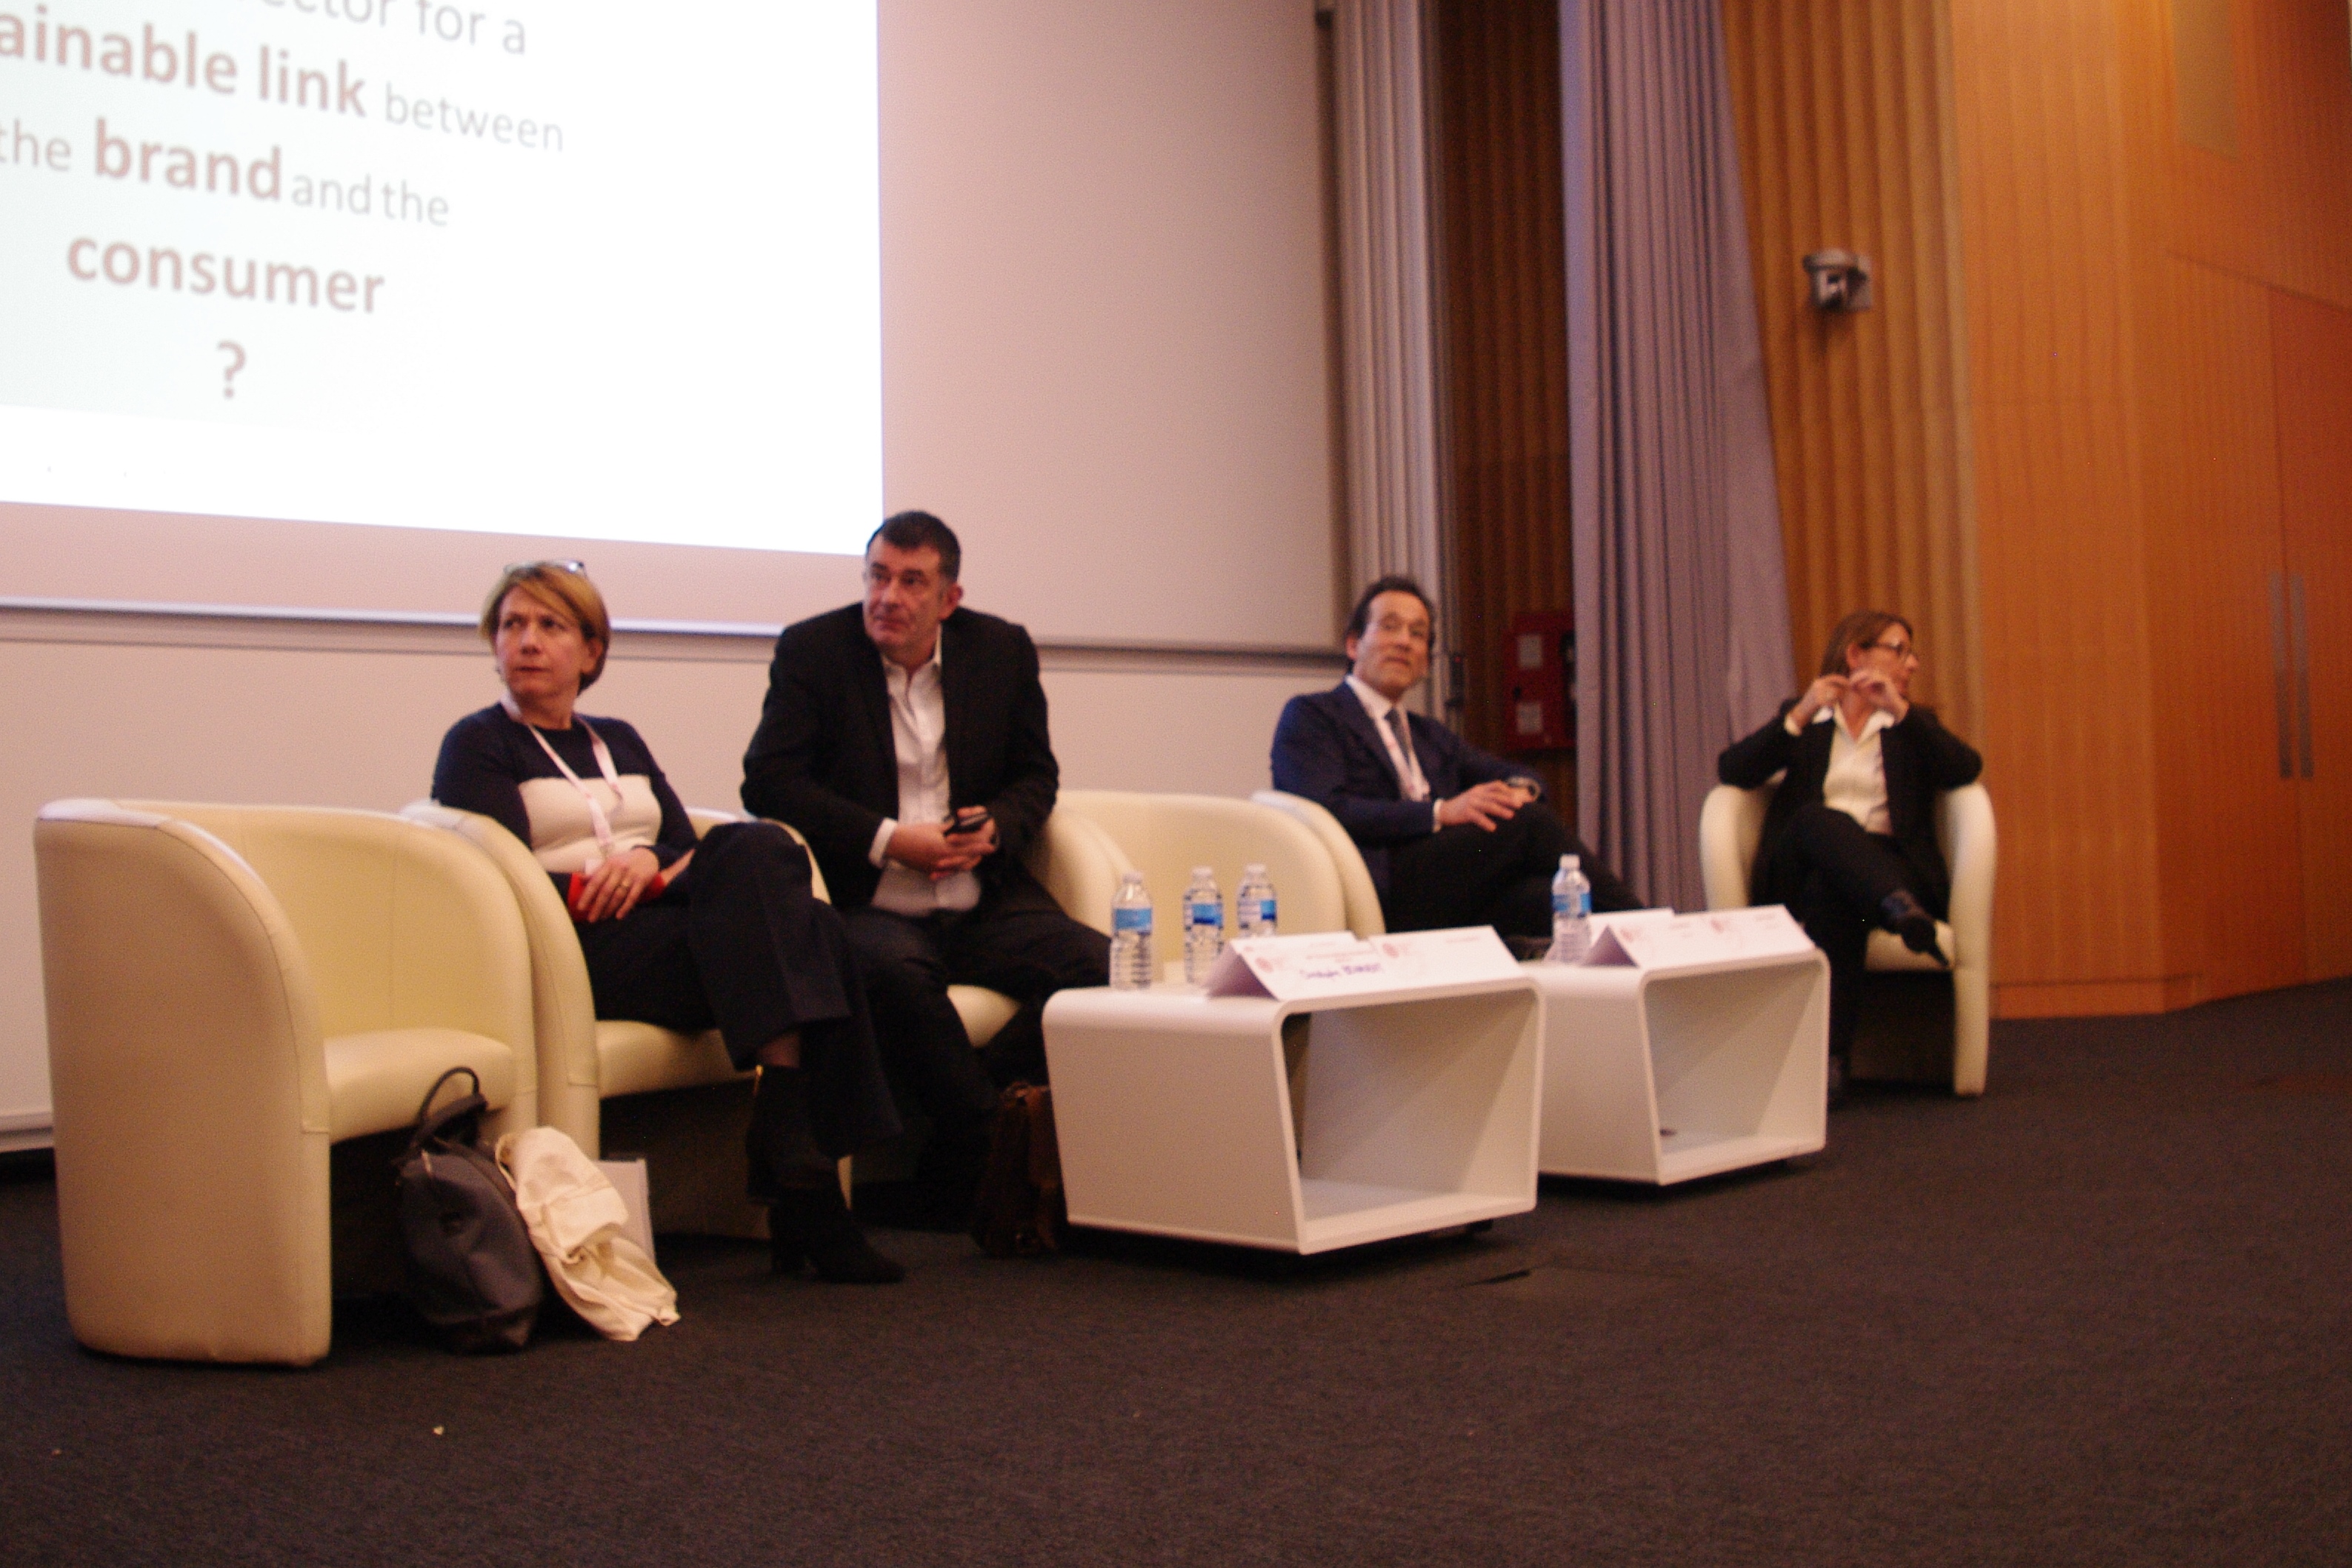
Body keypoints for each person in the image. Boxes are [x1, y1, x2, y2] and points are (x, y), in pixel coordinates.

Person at [433, 561, 907, 1284]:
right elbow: (501, 875)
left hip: (667, 923)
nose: (526, 641)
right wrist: (609, 880)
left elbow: (686, 844)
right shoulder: (478, 742)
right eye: (512, 625)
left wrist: (647, 862)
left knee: (762, 848)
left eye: (550, 625)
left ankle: (796, 1154)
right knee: (818, 931)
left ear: (591, 651)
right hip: (577, 943)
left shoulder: (617, 739)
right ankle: (802, 1173)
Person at [742, 512, 1110, 1227]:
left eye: (912, 582)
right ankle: (986, 1140)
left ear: (949, 599)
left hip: (982, 896)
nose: (888, 597)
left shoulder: (1000, 651)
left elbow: (1036, 775)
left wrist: (997, 825)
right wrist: (887, 839)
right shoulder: (814, 651)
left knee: (1104, 969)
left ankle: (967, 1136)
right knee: (896, 977)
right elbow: (769, 782)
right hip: (871, 899)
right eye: (877, 577)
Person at [1270, 576, 1639, 941]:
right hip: (1381, 879)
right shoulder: (1314, 716)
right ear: (1353, 645)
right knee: (1528, 823)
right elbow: (1328, 808)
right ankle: (1645, 926)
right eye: (1390, 627)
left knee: (1545, 896)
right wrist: (1439, 812)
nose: (1404, 641)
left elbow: (1515, 774)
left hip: (1448, 883)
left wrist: (1518, 790)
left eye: (1418, 634)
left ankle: (1632, 953)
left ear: (1426, 663)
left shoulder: (1429, 734)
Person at [1716, 610, 1982, 1100]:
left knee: (1833, 890)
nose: (1912, 664)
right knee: (1819, 821)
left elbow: (1965, 769)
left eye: (1912, 654)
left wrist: (1900, 710)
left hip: (1880, 867)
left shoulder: (1910, 724)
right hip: (1802, 861)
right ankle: (1896, 907)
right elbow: (1733, 770)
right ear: (1856, 654)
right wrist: (1799, 714)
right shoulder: (1807, 720)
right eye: (1899, 650)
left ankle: (1829, 1061)